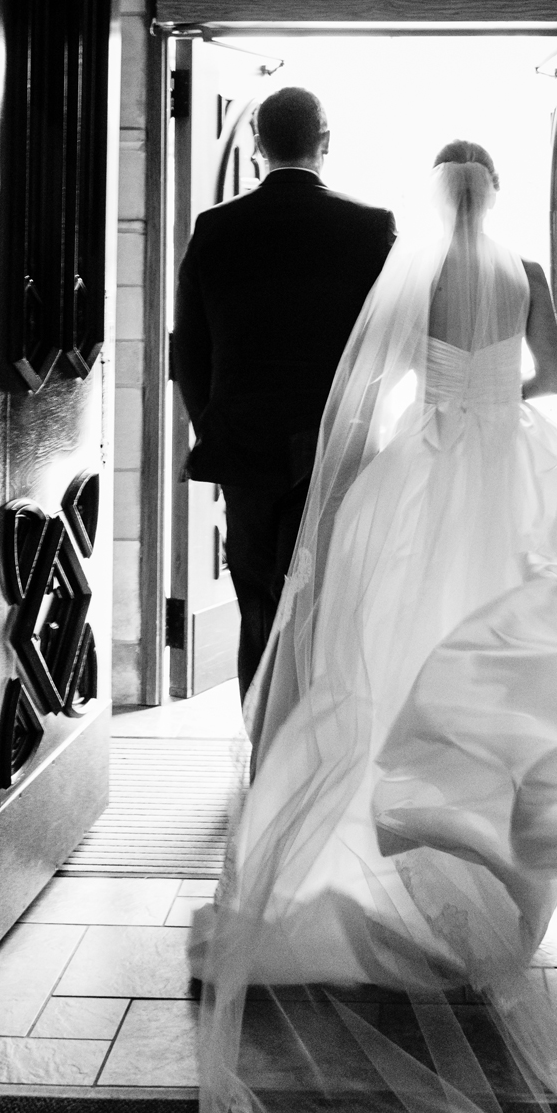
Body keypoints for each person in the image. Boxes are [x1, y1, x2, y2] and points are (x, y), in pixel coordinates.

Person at [195, 142, 557, 1113]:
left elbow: (378, 379)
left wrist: (429, 415)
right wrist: (491, 399)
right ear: (493, 192)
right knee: (523, 645)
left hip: (429, 458)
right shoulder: (524, 273)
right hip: (515, 457)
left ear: (435, 194)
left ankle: (410, 832)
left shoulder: (415, 273)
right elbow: (549, 373)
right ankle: (500, 832)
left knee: (400, 638)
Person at [171, 86, 398, 705]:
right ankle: (319, 740)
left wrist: (213, 424)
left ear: (254, 145)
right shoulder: (370, 227)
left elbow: (187, 349)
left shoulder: (217, 228)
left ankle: (262, 739)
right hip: (333, 443)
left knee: (255, 599)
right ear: (326, 143)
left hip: (243, 443)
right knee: (327, 595)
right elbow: (384, 346)